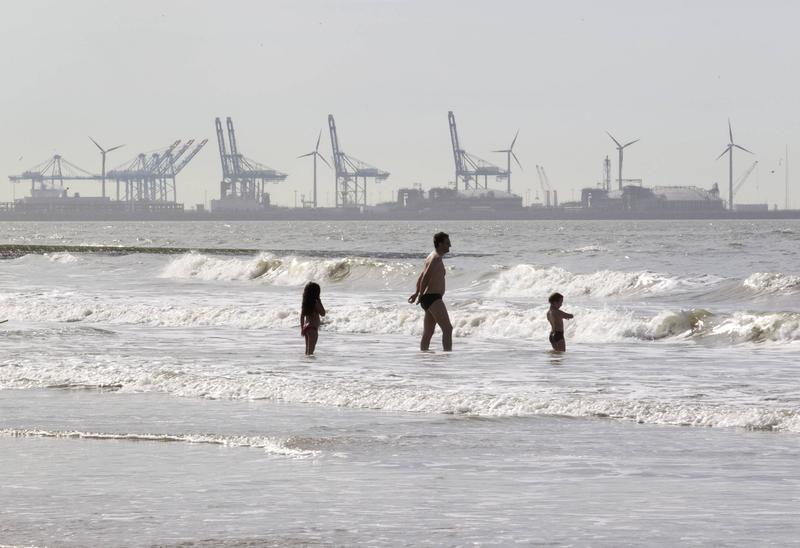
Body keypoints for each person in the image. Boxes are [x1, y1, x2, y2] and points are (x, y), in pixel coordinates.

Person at [408, 232, 453, 351]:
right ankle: (447, 355)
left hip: (430, 298)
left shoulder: (432, 256)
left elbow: (421, 275)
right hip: (432, 298)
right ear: (440, 244)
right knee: (448, 329)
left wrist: (417, 293)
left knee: (428, 332)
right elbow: (426, 276)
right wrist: (420, 294)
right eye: (447, 243)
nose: (450, 245)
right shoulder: (435, 258)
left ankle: (423, 355)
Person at [300, 282, 326, 355]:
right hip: (313, 329)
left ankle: (305, 362)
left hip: (306, 328)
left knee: (307, 352)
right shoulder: (315, 303)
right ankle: (309, 362)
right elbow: (323, 313)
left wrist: (302, 329)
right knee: (310, 352)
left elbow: (302, 317)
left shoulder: (306, 304)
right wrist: (320, 301)